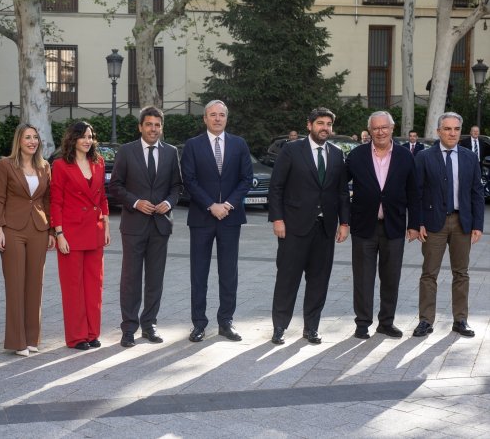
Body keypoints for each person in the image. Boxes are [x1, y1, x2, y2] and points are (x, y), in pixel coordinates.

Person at [268, 107, 350, 345]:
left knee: (319, 280)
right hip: (293, 227)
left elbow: (342, 192)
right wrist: (278, 219)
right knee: (287, 279)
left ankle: (311, 327)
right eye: (320, 123)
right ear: (309, 125)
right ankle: (280, 327)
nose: (325, 128)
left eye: (328, 124)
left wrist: (344, 222)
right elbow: (276, 187)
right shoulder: (292, 150)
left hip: (325, 229)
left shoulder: (336, 154)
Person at [109, 106, 182, 348]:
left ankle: (149, 324)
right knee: (130, 278)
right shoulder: (126, 151)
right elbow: (116, 186)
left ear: (162, 128)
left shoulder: (171, 153)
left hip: (160, 226)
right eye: (149, 124)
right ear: (140, 126)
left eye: (157, 125)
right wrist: (137, 202)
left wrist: (168, 202)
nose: (153, 129)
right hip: (134, 225)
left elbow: (176, 187)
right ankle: (129, 328)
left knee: (155, 279)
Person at [180, 100, 252, 343]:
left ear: (226, 118)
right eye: (213, 115)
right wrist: (211, 205)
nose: (217, 119)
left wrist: (228, 205)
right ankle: (199, 323)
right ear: (205, 119)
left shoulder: (239, 144)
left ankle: (226, 322)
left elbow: (246, 179)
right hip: (202, 218)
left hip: (231, 218)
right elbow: (189, 180)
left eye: (222, 115)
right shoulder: (192, 145)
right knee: (199, 273)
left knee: (228, 272)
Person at [346, 111, 420, 340]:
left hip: (394, 226)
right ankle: (362, 323)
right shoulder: (356, 155)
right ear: (369, 131)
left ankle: (386, 322)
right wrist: (344, 219)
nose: (380, 132)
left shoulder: (405, 156)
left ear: (392, 128)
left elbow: (414, 192)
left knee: (391, 277)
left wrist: (414, 224)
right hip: (363, 227)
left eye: (384, 127)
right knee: (363, 278)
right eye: (375, 128)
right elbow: (339, 188)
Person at [413, 112, 484, 338]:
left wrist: (478, 224)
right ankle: (425, 321)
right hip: (434, 223)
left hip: (462, 222)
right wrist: (418, 221)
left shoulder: (469, 157)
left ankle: (460, 320)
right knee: (429, 274)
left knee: (461, 273)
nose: (452, 133)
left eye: (456, 129)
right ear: (438, 131)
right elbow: (417, 193)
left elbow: (476, 192)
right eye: (447, 129)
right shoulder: (424, 157)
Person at [0, 124, 55, 357]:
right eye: (27, 137)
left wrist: (50, 231)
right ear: (19, 141)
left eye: (35, 138)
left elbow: (48, 199)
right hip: (12, 229)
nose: (32, 141)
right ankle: (17, 340)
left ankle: (32, 338)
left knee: (35, 284)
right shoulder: (5, 165)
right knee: (15, 284)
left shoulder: (44, 166)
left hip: (38, 228)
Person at [50, 122, 110, 350]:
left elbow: (102, 197)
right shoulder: (60, 165)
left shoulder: (98, 163)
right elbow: (56, 202)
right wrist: (59, 234)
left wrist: (106, 225)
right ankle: (77, 337)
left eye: (90, 136)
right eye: (83, 136)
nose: (87, 140)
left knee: (95, 285)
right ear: (73, 139)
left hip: (94, 232)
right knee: (73, 287)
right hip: (70, 234)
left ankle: (92, 333)